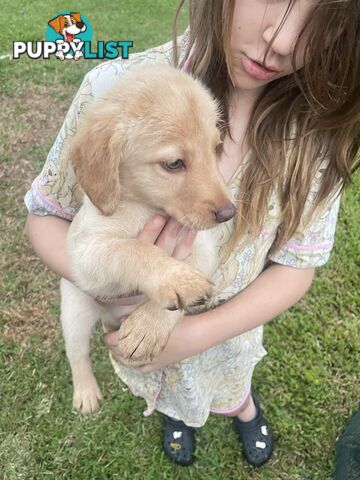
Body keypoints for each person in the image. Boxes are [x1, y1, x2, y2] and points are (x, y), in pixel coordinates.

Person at [24, 0, 360, 469]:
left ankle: (243, 407)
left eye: (322, 20)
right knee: (153, 384)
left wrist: (185, 327)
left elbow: (297, 268)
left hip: (228, 334)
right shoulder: (111, 91)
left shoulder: (313, 134)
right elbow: (45, 218)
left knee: (232, 382)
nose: (281, 41)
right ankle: (175, 417)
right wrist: (136, 279)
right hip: (121, 318)